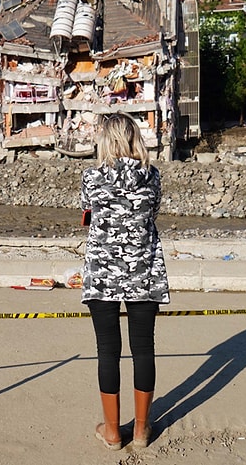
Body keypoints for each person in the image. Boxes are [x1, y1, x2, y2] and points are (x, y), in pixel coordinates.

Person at [80, 112, 170, 450]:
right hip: (144, 269)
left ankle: (113, 432)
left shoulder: (92, 178)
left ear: (106, 141)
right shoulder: (152, 177)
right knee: (144, 348)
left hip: (103, 272)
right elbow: (153, 213)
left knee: (108, 350)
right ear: (134, 139)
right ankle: (143, 430)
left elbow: (87, 214)